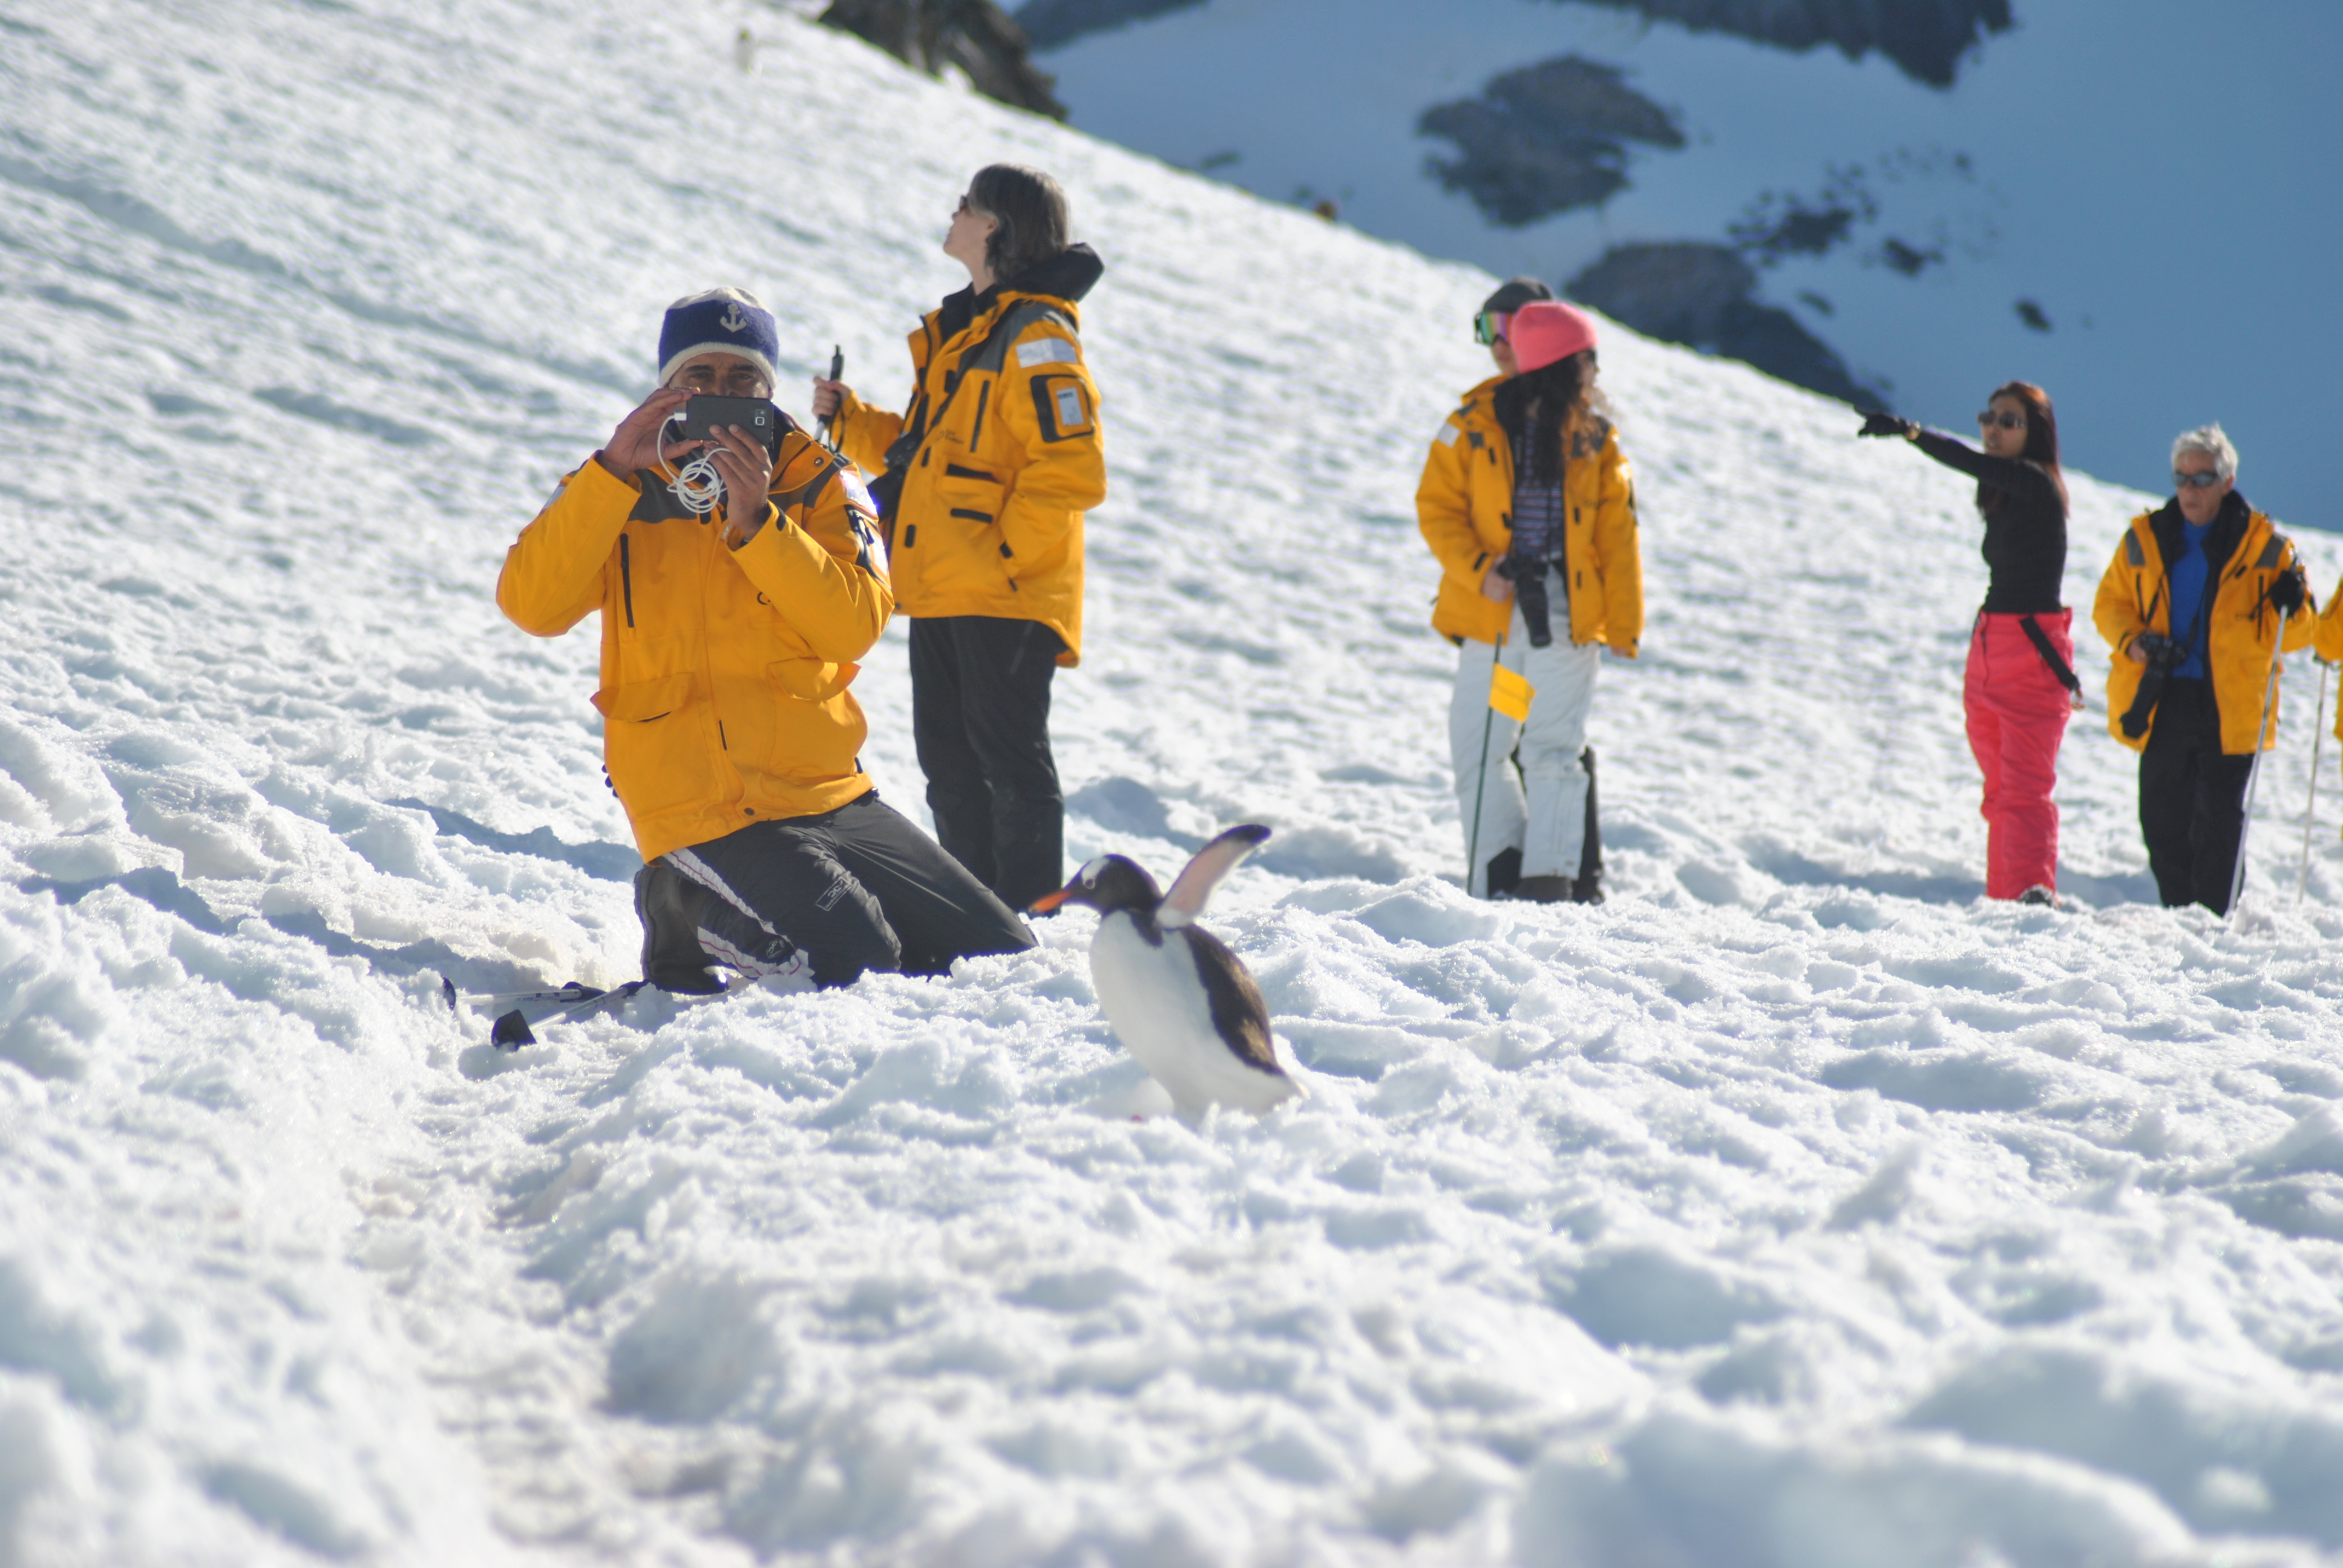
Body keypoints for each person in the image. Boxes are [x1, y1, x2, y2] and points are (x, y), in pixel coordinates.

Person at [497, 286, 1034, 990]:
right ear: (669, 386)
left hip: (828, 792)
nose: (721, 394)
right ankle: (681, 906)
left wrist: (758, 522)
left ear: (768, 390)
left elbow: (855, 625)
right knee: (853, 963)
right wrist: (613, 471)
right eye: (700, 376)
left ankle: (712, 901)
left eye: (741, 378)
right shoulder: (617, 482)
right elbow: (532, 607)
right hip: (697, 800)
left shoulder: (821, 480)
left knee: (1000, 958)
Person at [813, 165, 1106, 912]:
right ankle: (975, 919)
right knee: (948, 767)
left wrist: (1008, 555)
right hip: (943, 584)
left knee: (1008, 767)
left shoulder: (1036, 335)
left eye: (965, 205)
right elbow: (926, 451)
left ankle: (1028, 926)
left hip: (999, 591)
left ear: (994, 226)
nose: (953, 213)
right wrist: (851, 420)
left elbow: (1070, 468)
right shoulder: (973, 330)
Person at [1418, 292, 1642, 903]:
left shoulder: (1597, 442)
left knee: (1550, 747)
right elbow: (1437, 508)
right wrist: (1479, 570)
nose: (1595, 370)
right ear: (1563, 364)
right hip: (1496, 623)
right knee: (1485, 742)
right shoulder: (1472, 426)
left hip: (1565, 625)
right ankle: (1500, 869)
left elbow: (1617, 537)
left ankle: (1549, 882)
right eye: (1587, 359)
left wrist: (1622, 625)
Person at [1860, 385, 2076, 906]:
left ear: (2035, 433)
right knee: (2000, 788)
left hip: (2030, 650)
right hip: (1992, 646)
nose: (1994, 429)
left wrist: (1913, 433)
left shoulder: (2036, 483)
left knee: (2023, 788)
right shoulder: (2005, 491)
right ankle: (2004, 900)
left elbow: (1976, 464)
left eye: (2010, 421)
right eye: (1989, 418)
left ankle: (2031, 898)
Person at [2092, 423, 2310, 914]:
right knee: (2161, 816)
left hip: (2231, 703)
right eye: (2181, 478)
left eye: (2202, 478)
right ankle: (2179, 913)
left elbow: (2298, 634)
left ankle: (2215, 919)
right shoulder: (2145, 537)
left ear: (2227, 482)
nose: (2189, 489)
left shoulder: (2269, 548)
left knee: (2218, 821)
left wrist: (2293, 604)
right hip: (2164, 694)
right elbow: (2109, 604)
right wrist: (2135, 643)